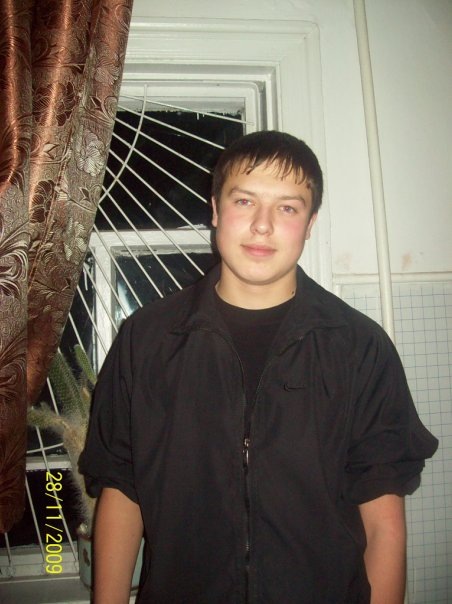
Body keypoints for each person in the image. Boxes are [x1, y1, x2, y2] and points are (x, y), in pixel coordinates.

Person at [79, 130, 438, 604]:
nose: (262, 225)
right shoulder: (145, 341)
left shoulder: (360, 347)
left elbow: (383, 524)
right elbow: (122, 493)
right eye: (245, 201)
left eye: (287, 208)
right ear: (215, 209)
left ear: (310, 224)